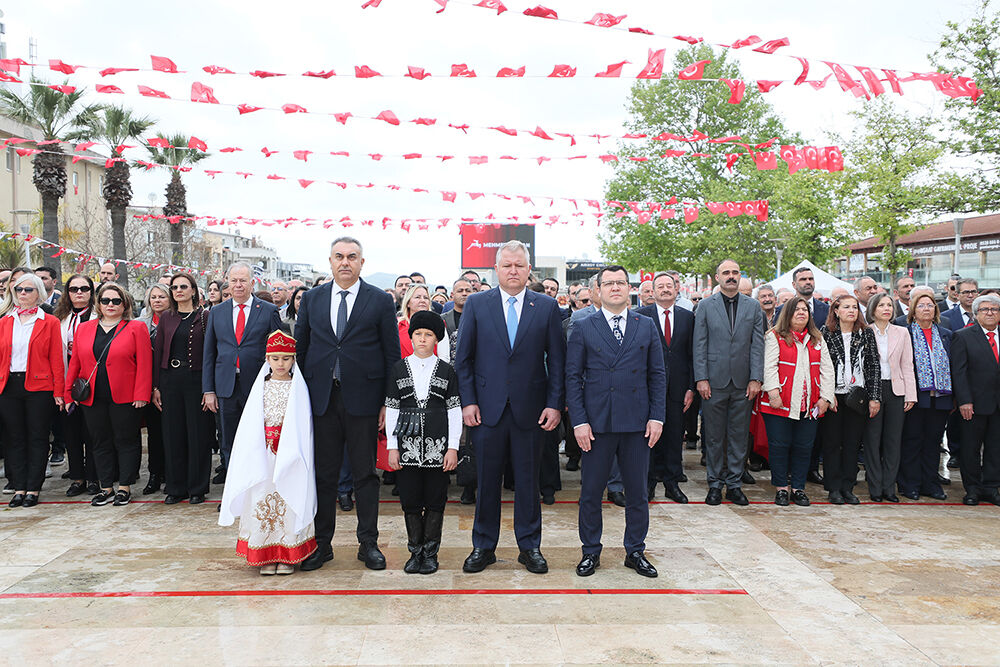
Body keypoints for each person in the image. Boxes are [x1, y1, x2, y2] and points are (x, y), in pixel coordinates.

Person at [455, 240, 565, 575]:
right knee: (487, 481)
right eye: (507, 265)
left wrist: (554, 405)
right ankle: (483, 546)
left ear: (529, 269)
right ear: (497, 269)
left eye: (519, 265)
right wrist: (469, 401)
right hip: (486, 410)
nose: (513, 271)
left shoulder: (545, 307)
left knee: (528, 482)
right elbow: (465, 360)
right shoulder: (477, 304)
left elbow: (558, 361)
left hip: (531, 411)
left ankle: (530, 546)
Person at [296, 237, 400, 572]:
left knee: (365, 474)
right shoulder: (312, 300)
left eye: (352, 257)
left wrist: (389, 401)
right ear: (329, 261)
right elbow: (301, 350)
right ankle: (322, 543)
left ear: (361, 262)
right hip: (322, 399)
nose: (345, 262)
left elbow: (391, 354)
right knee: (324, 474)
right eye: (339, 257)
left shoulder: (380, 301)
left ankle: (368, 542)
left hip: (364, 401)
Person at [567, 265, 665, 578]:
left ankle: (635, 550)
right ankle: (590, 551)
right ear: (597, 290)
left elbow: (657, 375)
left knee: (637, 492)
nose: (615, 288)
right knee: (591, 493)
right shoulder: (584, 326)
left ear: (629, 288)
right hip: (596, 424)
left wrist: (657, 416)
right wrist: (579, 421)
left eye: (620, 283)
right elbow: (572, 377)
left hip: (637, 422)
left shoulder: (646, 325)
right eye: (608, 283)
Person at [219, 329, 317, 575]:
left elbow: (303, 424)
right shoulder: (260, 387)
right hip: (264, 455)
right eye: (275, 358)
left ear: (294, 359)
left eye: (286, 358)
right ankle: (265, 554)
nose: (280, 363)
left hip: (290, 455)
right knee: (262, 497)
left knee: (288, 496)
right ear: (267, 359)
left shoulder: (299, 388)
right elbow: (251, 424)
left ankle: (288, 554)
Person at [385, 311, 462, 574]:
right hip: (406, 448)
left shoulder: (447, 370)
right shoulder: (398, 368)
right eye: (418, 334)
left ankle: (431, 553)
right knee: (410, 499)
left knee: (436, 499)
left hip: (437, 448)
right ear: (411, 336)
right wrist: (392, 447)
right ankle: (414, 552)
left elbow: (454, 410)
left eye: (428, 335)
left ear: (436, 339)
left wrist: (453, 447)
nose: (422, 339)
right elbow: (392, 409)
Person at [65, 282, 152, 507]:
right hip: (92, 397)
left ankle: (124, 487)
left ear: (125, 305)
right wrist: (68, 394)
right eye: (105, 301)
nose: (110, 305)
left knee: (126, 440)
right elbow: (74, 363)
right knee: (99, 441)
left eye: (116, 301)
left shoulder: (136, 328)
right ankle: (106, 487)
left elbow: (144, 364)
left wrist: (142, 393)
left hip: (125, 395)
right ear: (98, 304)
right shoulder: (84, 328)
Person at [203, 262, 283, 485]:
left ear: (252, 282)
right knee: (228, 441)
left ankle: (256, 488)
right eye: (234, 280)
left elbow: (278, 351)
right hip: (225, 387)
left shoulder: (268, 311)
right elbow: (209, 353)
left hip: (258, 387)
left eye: (243, 280)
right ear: (227, 282)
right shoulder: (216, 312)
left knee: (256, 440)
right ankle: (233, 491)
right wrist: (208, 390)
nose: (238, 285)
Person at [693, 259, 765, 506]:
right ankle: (714, 484)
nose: (731, 276)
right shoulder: (704, 306)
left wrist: (756, 378)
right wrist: (701, 378)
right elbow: (699, 344)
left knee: (738, 435)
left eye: (735, 272)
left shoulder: (753, 306)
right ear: (717, 277)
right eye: (726, 272)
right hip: (713, 381)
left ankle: (734, 484)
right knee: (713, 436)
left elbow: (758, 345)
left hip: (744, 383)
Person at [760, 296, 833, 507]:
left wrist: (825, 397)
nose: (801, 313)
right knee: (779, 446)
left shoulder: (817, 338)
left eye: (805, 310)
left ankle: (798, 488)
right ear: (788, 314)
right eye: (796, 310)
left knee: (804, 447)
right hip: (779, 403)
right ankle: (782, 488)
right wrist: (773, 392)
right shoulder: (774, 336)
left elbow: (827, 369)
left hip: (810, 404)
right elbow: (769, 366)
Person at [0, 273, 64, 507]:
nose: (23, 294)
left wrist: (59, 391)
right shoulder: (5, 321)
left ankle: (33, 489)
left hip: (40, 386)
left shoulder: (49, 321)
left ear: (39, 293)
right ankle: (18, 487)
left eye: (28, 290)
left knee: (37, 437)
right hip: (8, 386)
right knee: (13, 438)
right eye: (18, 290)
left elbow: (56, 359)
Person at [152, 273, 212, 505]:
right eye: (175, 287)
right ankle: (176, 487)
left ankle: (197, 487)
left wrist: (209, 388)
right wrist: (156, 385)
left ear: (193, 291)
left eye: (183, 286)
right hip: (170, 380)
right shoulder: (167, 317)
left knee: (198, 434)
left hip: (196, 380)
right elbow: (158, 352)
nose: (178, 290)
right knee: (172, 433)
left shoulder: (206, 316)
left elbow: (211, 353)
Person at [637, 272, 695, 504]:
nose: (665, 290)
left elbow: (693, 355)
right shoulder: (641, 316)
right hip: (648, 387)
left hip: (679, 388)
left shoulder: (688, 317)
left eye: (668, 286)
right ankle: (648, 484)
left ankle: (672, 484)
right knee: (649, 437)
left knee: (673, 436)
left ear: (675, 289)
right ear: (652, 291)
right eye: (660, 286)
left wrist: (691, 387)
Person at [820, 294, 881, 505]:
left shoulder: (866, 334)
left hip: (858, 396)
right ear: (836, 311)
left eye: (854, 307)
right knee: (832, 443)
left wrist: (874, 397)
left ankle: (848, 486)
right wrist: (827, 395)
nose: (851, 311)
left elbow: (873, 366)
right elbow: (821, 367)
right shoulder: (825, 333)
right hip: (833, 396)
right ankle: (833, 488)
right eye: (846, 307)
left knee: (853, 444)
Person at [898, 292, 953, 501]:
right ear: (913, 311)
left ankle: (931, 483)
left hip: (941, 396)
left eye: (930, 305)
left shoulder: (946, 334)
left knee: (933, 442)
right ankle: (910, 483)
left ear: (936, 310)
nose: (926, 309)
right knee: (912, 440)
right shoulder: (906, 333)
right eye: (921, 306)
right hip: (915, 396)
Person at [864, 293, 916, 501]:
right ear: (873, 309)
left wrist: (910, 395)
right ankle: (875, 488)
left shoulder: (902, 332)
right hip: (873, 391)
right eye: (881, 305)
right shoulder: (865, 331)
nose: (887, 308)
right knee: (872, 440)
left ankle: (889, 488)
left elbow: (907, 365)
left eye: (889, 305)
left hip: (897, 390)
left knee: (893, 441)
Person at [951, 293, 1000, 506]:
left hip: (998, 404)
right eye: (985, 310)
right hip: (973, 404)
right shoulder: (963, 336)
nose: (990, 313)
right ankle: (972, 489)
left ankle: (991, 487)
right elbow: (959, 372)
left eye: (994, 310)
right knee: (970, 448)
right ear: (976, 313)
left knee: (995, 447)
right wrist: (964, 400)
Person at [54, 274, 98, 496]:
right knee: (71, 432)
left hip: (92, 380)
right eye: (73, 289)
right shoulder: (59, 318)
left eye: (84, 288)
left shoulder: (100, 316)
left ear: (91, 292)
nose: (79, 292)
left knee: (91, 433)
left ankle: (93, 478)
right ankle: (77, 478)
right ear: (67, 293)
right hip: (66, 380)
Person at [443, 277, 475, 505]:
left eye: (468, 290)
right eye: (459, 290)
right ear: (452, 294)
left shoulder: (479, 317)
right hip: (446, 383)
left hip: (473, 383)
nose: (464, 293)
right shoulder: (442, 321)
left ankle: (469, 485)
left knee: (470, 438)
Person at [138, 284, 171, 495]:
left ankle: (171, 472)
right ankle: (154, 474)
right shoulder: (140, 323)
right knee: (154, 433)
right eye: (153, 297)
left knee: (172, 432)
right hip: (148, 383)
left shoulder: (177, 319)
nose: (157, 300)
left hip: (171, 381)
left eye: (162, 297)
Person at [397, 284, 449, 361]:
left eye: (426, 298)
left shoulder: (438, 323)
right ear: (408, 303)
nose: (422, 300)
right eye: (417, 297)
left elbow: (444, 357)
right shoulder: (398, 325)